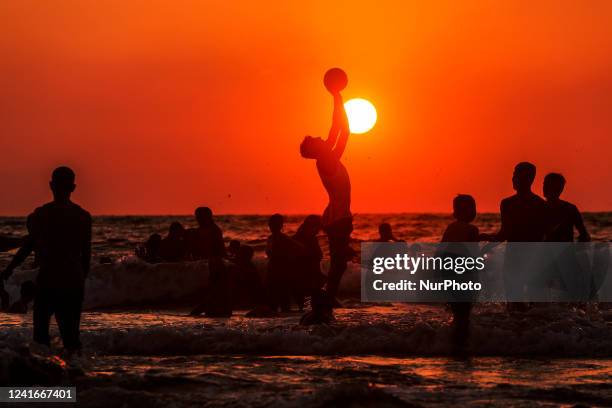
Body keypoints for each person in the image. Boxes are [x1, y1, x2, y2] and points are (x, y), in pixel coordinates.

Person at [1, 166, 92, 353]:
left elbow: (28, 246)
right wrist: (80, 282)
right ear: (73, 188)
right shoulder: (83, 217)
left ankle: (47, 379)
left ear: (51, 185)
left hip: (49, 281)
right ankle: (77, 378)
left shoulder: (41, 215)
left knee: (41, 339)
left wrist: (9, 269)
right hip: (73, 282)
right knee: (72, 340)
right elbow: (86, 255)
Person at [299, 77, 352, 323]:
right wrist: (337, 98)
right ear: (314, 150)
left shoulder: (326, 157)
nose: (322, 138)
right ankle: (324, 302)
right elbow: (344, 132)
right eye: (316, 140)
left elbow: (335, 129)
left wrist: (336, 98)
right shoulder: (327, 161)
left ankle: (325, 301)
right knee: (339, 263)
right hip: (338, 218)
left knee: (340, 262)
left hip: (337, 216)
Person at [440, 195, 480, 349]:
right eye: (473, 208)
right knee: (464, 315)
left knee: (457, 312)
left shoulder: (451, 227)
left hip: (449, 275)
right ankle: (462, 345)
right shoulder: (472, 229)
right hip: (465, 277)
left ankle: (453, 343)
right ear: (469, 211)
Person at [543, 173, 590, 242]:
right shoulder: (571, 208)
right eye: (544, 184)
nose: (544, 187)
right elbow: (584, 235)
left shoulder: (570, 209)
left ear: (559, 189)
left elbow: (584, 234)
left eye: (548, 185)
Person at [265, 214, 298, 312]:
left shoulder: (282, 238)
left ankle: (283, 318)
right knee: (274, 296)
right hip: (274, 269)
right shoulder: (271, 238)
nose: (271, 226)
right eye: (271, 224)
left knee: (282, 296)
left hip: (281, 270)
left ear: (280, 225)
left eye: (274, 224)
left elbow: (299, 248)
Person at [292, 215, 325, 310]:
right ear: (313, 226)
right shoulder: (310, 238)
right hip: (307, 272)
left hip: (301, 272)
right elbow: (316, 255)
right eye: (318, 227)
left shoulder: (297, 237)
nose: (318, 230)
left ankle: (302, 308)